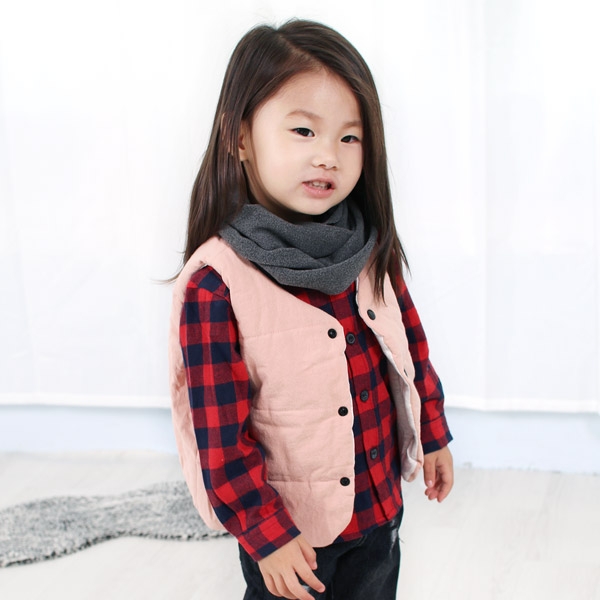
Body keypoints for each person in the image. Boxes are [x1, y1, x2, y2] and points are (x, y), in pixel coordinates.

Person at [168, 19, 454, 600]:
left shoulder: (368, 248)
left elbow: (410, 347)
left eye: (349, 138)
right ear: (240, 138)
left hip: (378, 512)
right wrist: (264, 533)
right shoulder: (217, 283)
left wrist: (433, 433)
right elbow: (219, 434)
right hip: (292, 538)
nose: (328, 156)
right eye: (303, 130)